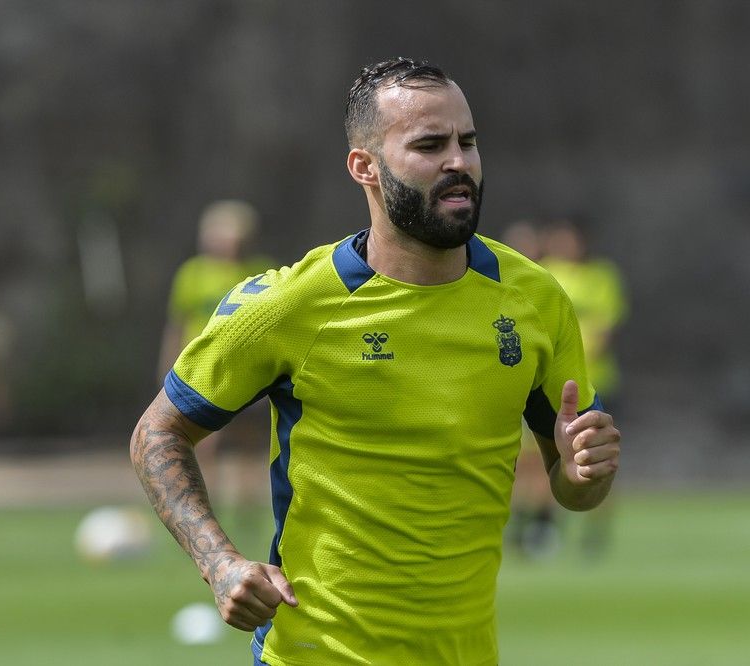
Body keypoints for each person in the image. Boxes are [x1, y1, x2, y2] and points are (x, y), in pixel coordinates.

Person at [130, 58, 621, 665]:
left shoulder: (537, 300)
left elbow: (572, 485)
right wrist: (220, 563)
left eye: (467, 142)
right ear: (365, 167)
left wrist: (587, 475)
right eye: (429, 144)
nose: (459, 162)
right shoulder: (290, 305)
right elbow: (159, 431)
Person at [158, 200, 274, 535]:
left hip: (250, 373)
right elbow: (178, 323)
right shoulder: (193, 274)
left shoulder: (262, 272)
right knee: (202, 443)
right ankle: (206, 510)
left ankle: (247, 510)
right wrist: (168, 365)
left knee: (250, 446)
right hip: (202, 372)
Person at [540, 218, 628, 558]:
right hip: (550, 386)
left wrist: (571, 351)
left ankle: (596, 532)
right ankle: (544, 526)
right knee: (547, 457)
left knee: (599, 459)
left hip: (597, 382)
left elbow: (605, 331)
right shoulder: (544, 275)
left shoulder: (601, 277)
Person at [500, 219, 561, 559]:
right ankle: (530, 524)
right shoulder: (499, 285)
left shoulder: (545, 288)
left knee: (541, 461)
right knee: (520, 464)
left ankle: (543, 525)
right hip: (510, 388)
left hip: (545, 386)